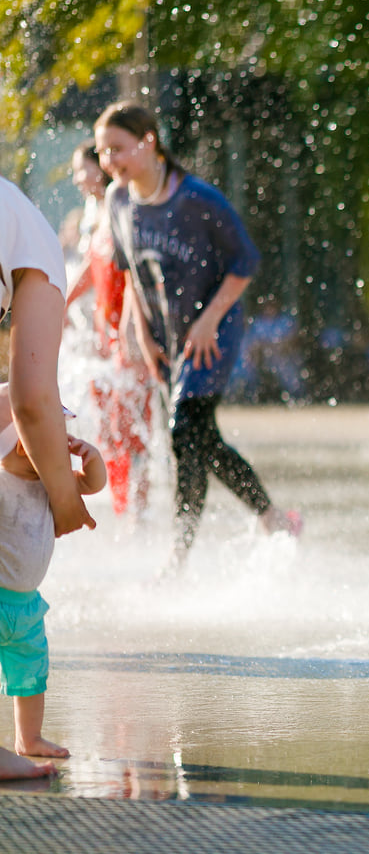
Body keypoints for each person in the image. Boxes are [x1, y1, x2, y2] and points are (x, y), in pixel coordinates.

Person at [94, 101, 300, 570]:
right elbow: (129, 274)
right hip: (165, 336)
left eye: (118, 150)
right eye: (104, 153)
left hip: (212, 333)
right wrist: (139, 333)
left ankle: (177, 557)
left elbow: (245, 262)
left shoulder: (199, 199)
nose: (110, 163)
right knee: (198, 438)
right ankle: (272, 517)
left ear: (149, 143)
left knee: (185, 430)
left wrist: (209, 320)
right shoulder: (118, 200)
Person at [0, 176, 98, 779]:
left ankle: (26, 736)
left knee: (30, 661)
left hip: (23, 597)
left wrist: (84, 470)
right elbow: (34, 400)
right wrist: (65, 501)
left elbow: (90, 477)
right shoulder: (29, 229)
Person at [0, 387, 106, 776]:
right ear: (25, 447)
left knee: (30, 675)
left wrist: (92, 459)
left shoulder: (51, 484)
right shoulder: (4, 485)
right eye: (55, 436)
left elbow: (91, 485)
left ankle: (29, 738)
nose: (65, 445)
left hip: (28, 605)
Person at [63, 140, 153, 516]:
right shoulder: (98, 214)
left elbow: (133, 271)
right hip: (105, 336)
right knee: (110, 427)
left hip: (129, 335)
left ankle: (139, 510)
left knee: (132, 426)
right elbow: (93, 268)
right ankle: (123, 507)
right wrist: (64, 302)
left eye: (80, 169)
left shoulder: (124, 209)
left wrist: (134, 332)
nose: (76, 178)